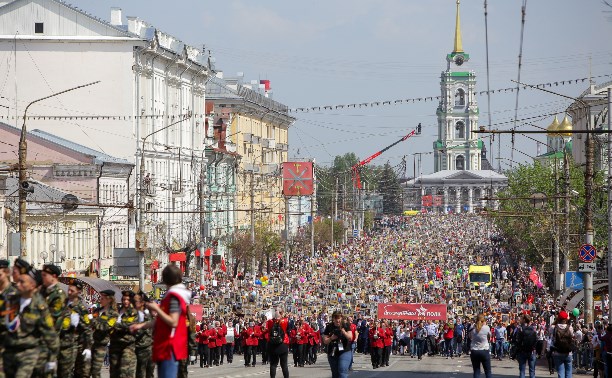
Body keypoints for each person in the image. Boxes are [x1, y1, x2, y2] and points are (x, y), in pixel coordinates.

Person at [130, 264, 192, 378]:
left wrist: (156, 308)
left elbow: (173, 321)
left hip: (169, 346)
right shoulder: (171, 296)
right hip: (165, 346)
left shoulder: (174, 297)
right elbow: (161, 321)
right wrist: (141, 325)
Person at [3, 263, 59, 378]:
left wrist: (52, 359)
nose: (18, 284)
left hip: (28, 354)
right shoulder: (11, 300)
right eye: (18, 281)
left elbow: (50, 334)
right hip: (9, 351)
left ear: (32, 285)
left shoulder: (39, 306)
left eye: (22, 282)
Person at [58, 279, 92, 378]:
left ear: (79, 292)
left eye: (72, 291)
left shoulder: (81, 308)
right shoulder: (63, 303)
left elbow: (87, 329)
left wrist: (88, 347)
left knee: (66, 372)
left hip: (72, 344)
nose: (69, 292)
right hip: (59, 342)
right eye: (69, 289)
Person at [90, 289, 119, 378]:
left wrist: (92, 320)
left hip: (101, 345)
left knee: (95, 371)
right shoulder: (97, 311)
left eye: (102, 298)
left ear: (109, 299)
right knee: (86, 370)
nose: (100, 300)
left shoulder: (113, 314)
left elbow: (105, 327)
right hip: (90, 343)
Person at [109, 290, 138, 378]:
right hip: (115, 344)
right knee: (114, 371)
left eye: (128, 300)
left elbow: (126, 325)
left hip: (127, 345)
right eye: (124, 299)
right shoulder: (117, 310)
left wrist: (113, 324)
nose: (125, 301)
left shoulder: (133, 312)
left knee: (125, 372)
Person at [322, 311, 353, 378]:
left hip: (344, 351)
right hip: (333, 351)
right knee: (335, 373)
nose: (337, 320)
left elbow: (350, 337)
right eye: (335, 318)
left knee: (342, 370)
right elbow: (325, 341)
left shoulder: (346, 325)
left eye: (339, 318)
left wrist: (344, 332)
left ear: (341, 318)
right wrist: (331, 338)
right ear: (333, 319)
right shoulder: (329, 326)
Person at [133, 292, 154, 378]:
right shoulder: (132, 315)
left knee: (150, 373)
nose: (133, 303)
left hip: (151, 348)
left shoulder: (149, 315)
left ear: (142, 303)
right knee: (140, 373)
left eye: (136, 301)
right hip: (139, 348)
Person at [549, 310, 574, 378]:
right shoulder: (570, 328)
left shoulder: (553, 328)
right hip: (568, 352)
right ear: (566, 319)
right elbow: (572, 336)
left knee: (560, 372)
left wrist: (555, 322)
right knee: (569, 372)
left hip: (557, 352)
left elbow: (550, 332)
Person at [266, 308, 290, 378]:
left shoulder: (270, 322)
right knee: (284, 365)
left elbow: (266, 329)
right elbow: (288, 327)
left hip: (272, 343)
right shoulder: (285, 321)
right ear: (281, 313)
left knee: (273, 364)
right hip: (283, 343)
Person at [469, 314, 492, 378]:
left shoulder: (472, 327)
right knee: (488, 371)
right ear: (483, 320)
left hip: (474, 350)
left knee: (476, 371)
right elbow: (489, 337)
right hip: (484, 350)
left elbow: (470, 337)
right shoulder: (486, 327)